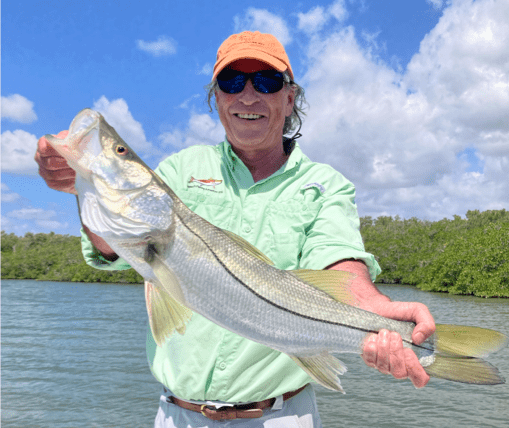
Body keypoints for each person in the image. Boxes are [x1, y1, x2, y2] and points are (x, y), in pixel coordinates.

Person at [35, 31, 435, 427]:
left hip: (281, 415)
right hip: (176, 414)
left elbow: (340, 266)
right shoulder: (179, 170)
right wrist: (81, 188)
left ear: (289, 97)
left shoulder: (326, 185)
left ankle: (438, 350)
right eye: (231, 82)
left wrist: (378, 315)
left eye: (265, 81)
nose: (247, 95)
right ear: (218, 98)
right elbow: (112, 245)